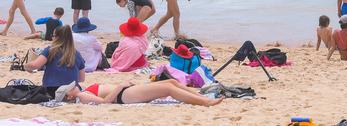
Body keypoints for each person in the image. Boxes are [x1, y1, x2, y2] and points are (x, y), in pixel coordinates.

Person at [55, 79, 222, 106]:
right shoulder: (81, 96)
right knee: (168, 88)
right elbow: (105, 103)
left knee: (171, 82)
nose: (74, 86)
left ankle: (199, 96)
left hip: (126, 91)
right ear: (69, 95)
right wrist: (120, 86)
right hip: (124, 95)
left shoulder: (81, 93)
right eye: (71, 88)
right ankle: (205, 102)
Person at [24, 25, 85, 97]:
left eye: (53, 36)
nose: (52, 38)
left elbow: (35, 65)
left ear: (57, 38)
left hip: (52, 90)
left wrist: (26, 66)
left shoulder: (50, 50)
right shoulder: (77, 54)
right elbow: (81, 78)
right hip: (71, 90)